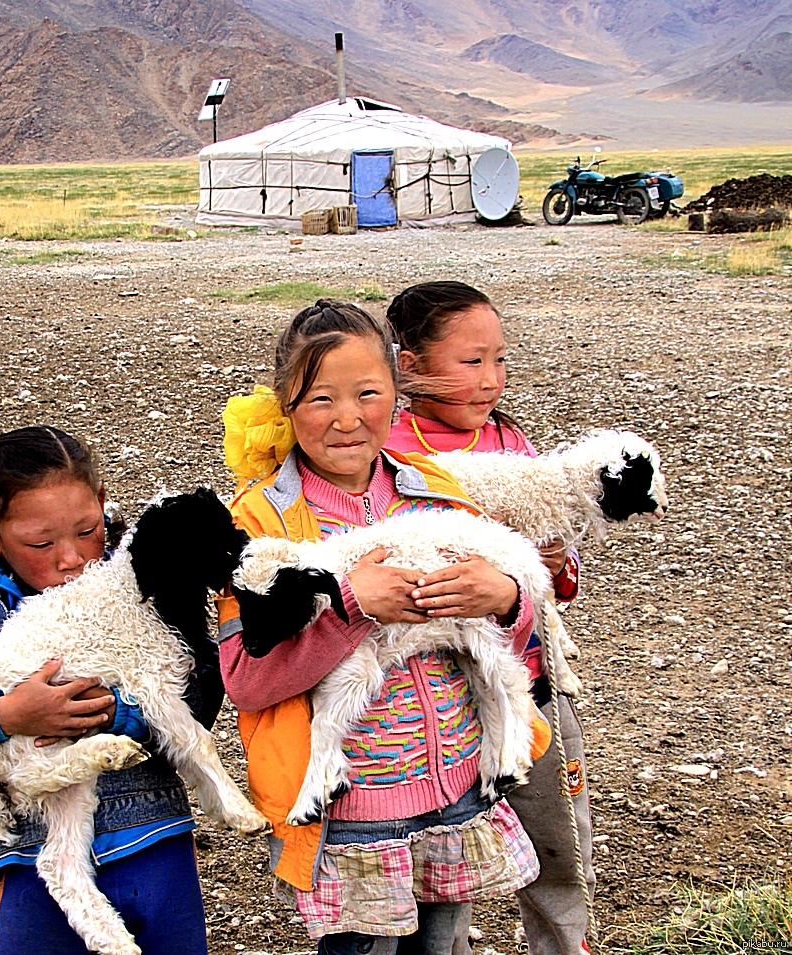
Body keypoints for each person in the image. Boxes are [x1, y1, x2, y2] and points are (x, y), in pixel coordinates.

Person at [217, 300, 546, 955]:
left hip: (456, 784)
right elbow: (247, 679)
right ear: (284, 404)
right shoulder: (260, 528)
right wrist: (349, 604)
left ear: (398, 391)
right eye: (319, 398)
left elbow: (511, 644)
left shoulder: (439, 495)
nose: (346, 417)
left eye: (367, 392)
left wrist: (505, 596)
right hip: (353, 813)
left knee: (442, 944)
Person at [0, 425, 214, 955]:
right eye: (41, 543)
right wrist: (5, 714)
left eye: (87, 530)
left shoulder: (143, 589)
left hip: (154, 840)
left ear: (103, 505)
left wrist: (114, 713)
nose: (71, 556)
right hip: (34, 862)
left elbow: (200, 697)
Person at [387, 281, 594, 955]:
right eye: (472, 361)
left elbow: (558, 581)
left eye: (499, 360)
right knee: (440, 861)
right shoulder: (388, 448)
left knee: (560, 842)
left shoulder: (512, 440)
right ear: (409, 363)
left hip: (531, 677)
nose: (491, 379)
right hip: (436, 697)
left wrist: (551, 561)